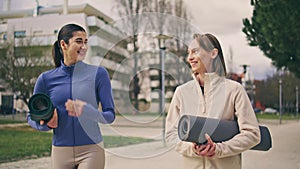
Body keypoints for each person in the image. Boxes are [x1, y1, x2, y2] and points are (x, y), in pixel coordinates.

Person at [165, 33, 260, 169]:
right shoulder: (182, 92)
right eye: (189, 53)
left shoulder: (234, 90)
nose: (189, 57)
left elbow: (252, 134)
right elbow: (170, 135)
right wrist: (192, 149)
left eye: (195, 51)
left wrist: (219, 149)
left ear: (213, 53)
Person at [27, 23, 115, 169]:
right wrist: (46, 125)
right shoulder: (46, 79)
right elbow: (31, 116)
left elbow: (110, 115)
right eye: (79, 41)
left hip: (91, 149)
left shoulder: (99, 74)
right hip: (61, 150)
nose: (84, 47)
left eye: (86, 42)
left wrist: (87, 110)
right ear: (63, 44)